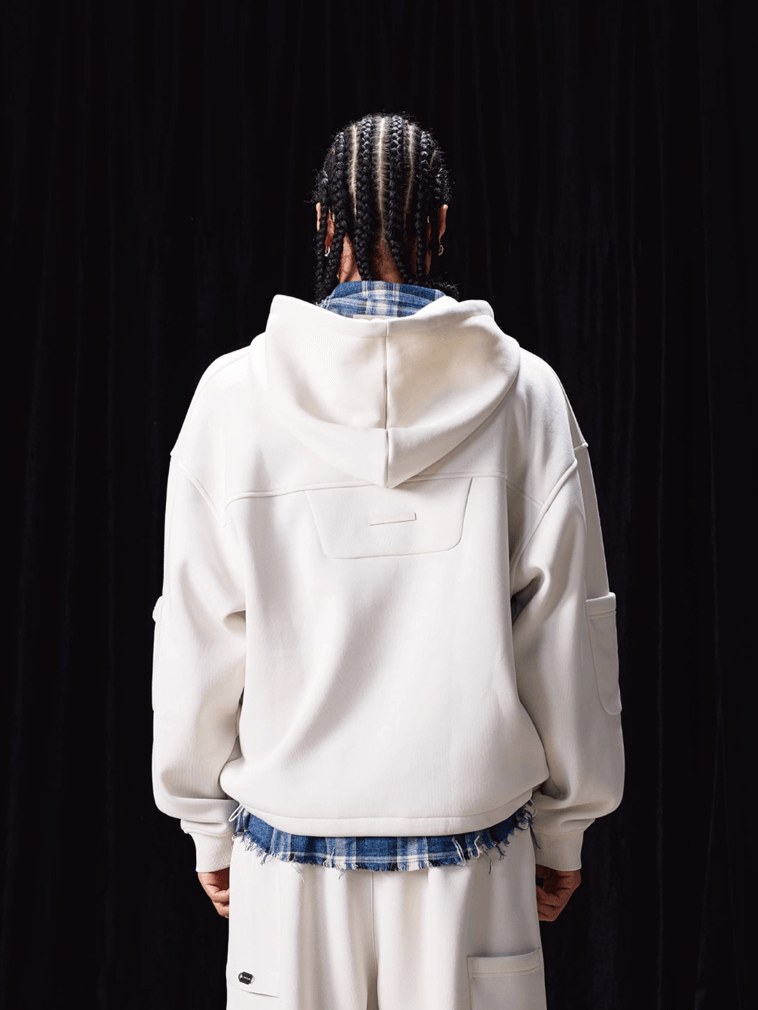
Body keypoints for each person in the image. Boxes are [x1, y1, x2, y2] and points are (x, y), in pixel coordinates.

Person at [152, 112, 624, 1010]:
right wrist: (566, 828)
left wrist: (206, 827)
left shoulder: (230, 400)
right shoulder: (528, 396)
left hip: (287, 868)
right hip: (473, 865)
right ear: (439, 224)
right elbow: (569, 631)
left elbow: (196, 635)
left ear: (323, 224)